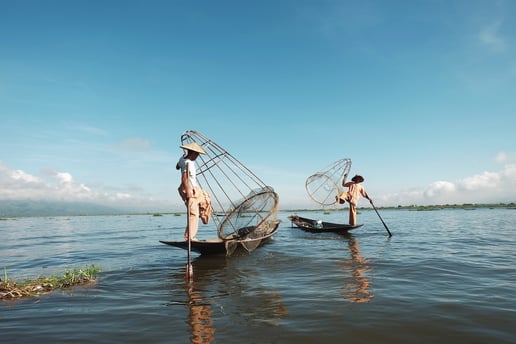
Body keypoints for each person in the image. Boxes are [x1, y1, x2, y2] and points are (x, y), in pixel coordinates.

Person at [177, 142, 207, 241]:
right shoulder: (188, 162)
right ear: (192, 153)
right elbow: (184, 178)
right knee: (193, 213)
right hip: (189, 188)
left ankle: (204, 216)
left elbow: (177, 166)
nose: (197, 156)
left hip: (195, 188)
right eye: (196, 154)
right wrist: (189, 192)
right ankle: (190, 237)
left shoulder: (183, 159)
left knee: (206, 199)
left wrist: (183, 157)